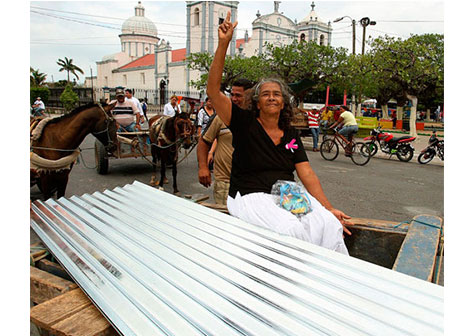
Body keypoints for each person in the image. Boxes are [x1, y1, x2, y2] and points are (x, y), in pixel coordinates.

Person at [205, 11, 352, 254]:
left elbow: (306, 172)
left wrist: (327, 207)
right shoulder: (242, 122)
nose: (272, 97)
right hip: (249, 195)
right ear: (257, 102)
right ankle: (292, 284)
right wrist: (223, 44)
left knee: (327, 225)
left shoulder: (291, 134)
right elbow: (213, 91)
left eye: (277, 94)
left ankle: (328, 280)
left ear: (283, 103)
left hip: (286, 194)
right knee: (290, 229)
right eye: (265, 94)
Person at [197, 78, 253, 204]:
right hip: (225, 183)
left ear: (249, 97)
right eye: (232, 95)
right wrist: (203, 167)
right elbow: (203, 142)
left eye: (238, 96)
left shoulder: (257, 119)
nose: (233, 99)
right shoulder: (220, 117)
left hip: (250, 184)